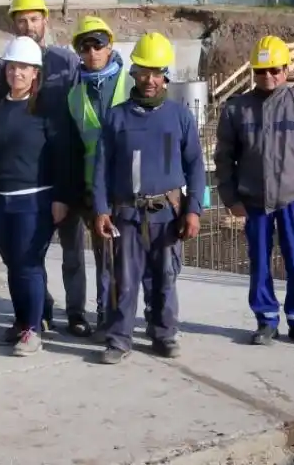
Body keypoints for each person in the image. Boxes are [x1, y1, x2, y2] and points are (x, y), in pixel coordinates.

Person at [213, 35, 294, 347]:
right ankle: (266, 320)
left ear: (286, 69)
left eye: (274, 70)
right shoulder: (236, 110)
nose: (267, 77)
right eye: (260, 71)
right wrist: (231, 198)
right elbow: (224, 158)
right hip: (254, 201)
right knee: (259, 263)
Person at [92, 32, 205, 364]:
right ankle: (119, 338)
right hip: (127, 215)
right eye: (143, 72)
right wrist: (101, 209)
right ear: (134, 73)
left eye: (156, 72)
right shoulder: (116, 118)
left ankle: (163, 333)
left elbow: (196, 165)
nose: (150, 79)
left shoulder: (180, 117)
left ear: (166, 74)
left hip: (167, 215)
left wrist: (194, 210)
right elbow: (100, 169)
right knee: (123, 280)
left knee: (165, 278)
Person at [0, 36, 75, 356]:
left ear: (35, 73)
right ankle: (27, 319)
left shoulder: (49, 109)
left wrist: (61, 197)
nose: (17, 73)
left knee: (27, 263)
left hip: (36, 200)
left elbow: (63, 155)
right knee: (15, 264)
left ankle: (31, 329)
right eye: (12, 67)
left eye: (24, 68)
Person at [0, 0, 90, 337]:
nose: (28, 25)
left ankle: (77, 312)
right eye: (21, 19)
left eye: (34, 18)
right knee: (32, 253)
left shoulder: (66, 63)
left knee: (73, 249)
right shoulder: (5, 65)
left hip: (65, 167)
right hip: (31, 176)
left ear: (44, 21)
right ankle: (42, 310)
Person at [67, 16, 132, 337]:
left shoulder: (131, 83)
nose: (92, 51)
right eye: (84, 45)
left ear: (110, 45)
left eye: (98, 44)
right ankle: (108, 317)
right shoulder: (74, 92)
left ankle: (150, 318)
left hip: (130, 187)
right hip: (95, 189)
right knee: (104, 258)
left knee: (138, 261)